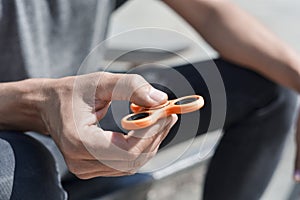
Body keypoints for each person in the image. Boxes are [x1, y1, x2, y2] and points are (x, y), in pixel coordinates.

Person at [0, 1, 299, 200]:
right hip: (10, 119)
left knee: (270, 91)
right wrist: (38, 102)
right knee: (21, 171)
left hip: (88, 106)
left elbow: (210, 13)